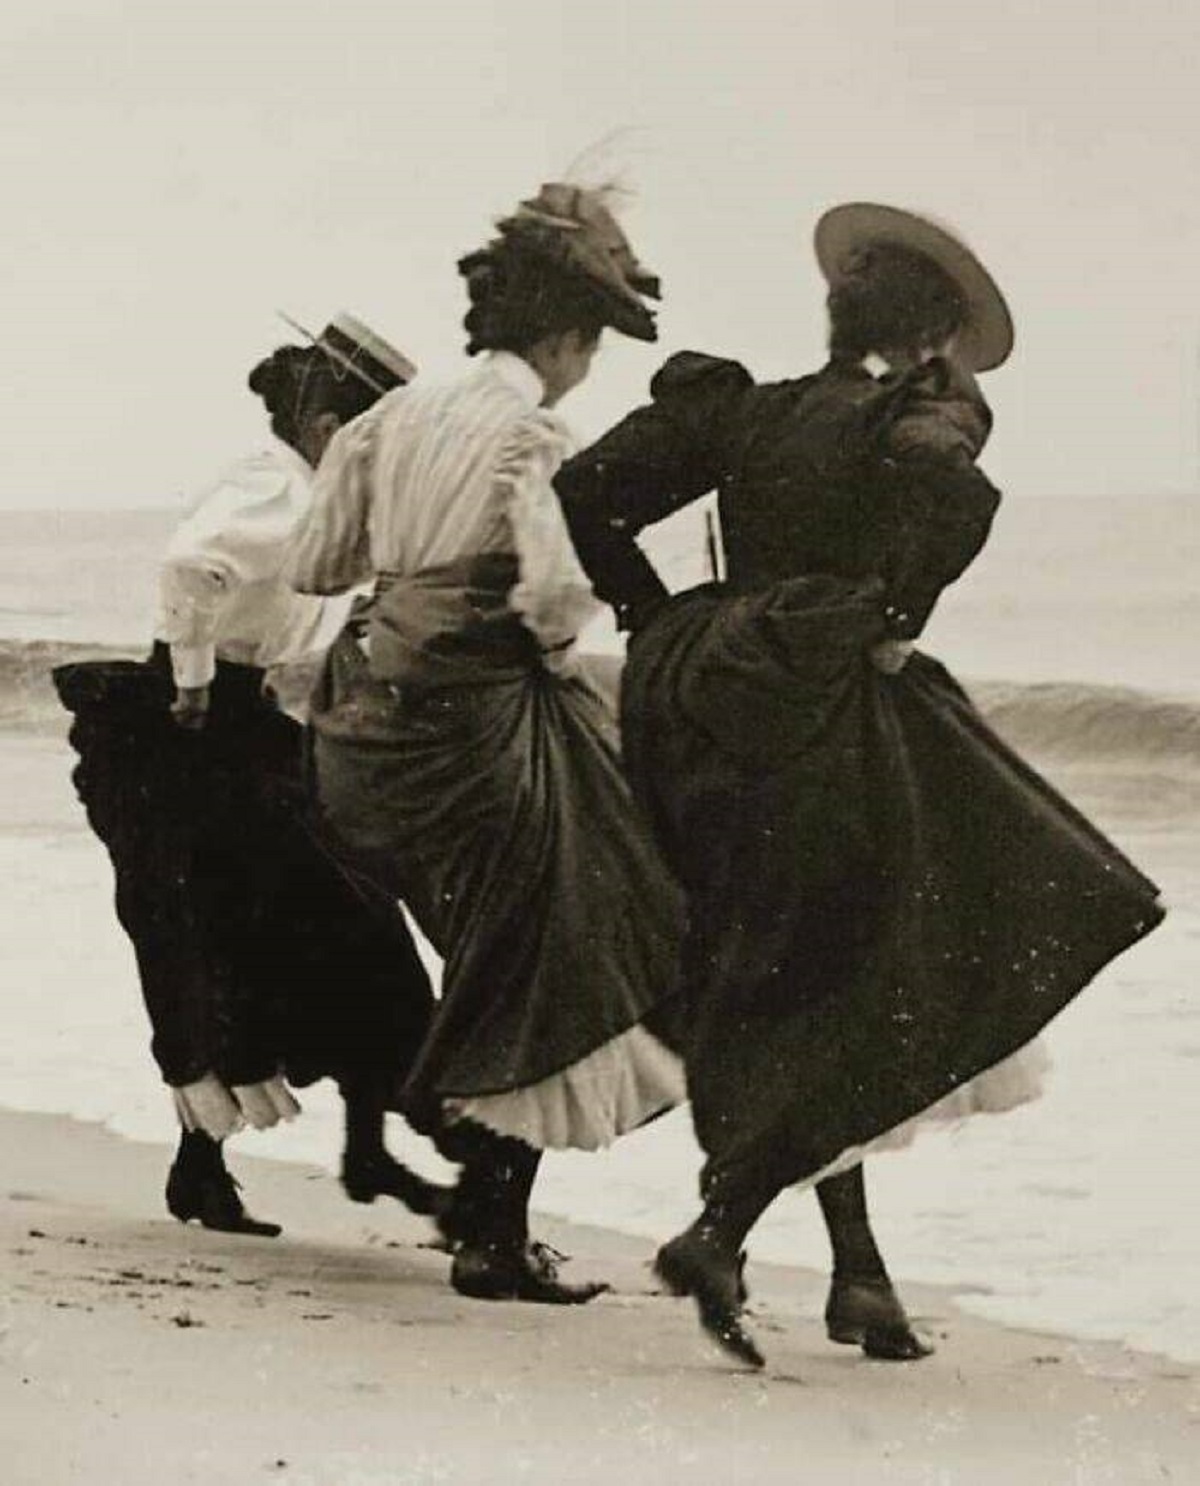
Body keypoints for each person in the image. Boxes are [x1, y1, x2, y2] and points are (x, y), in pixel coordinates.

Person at [555, 203, 1165, 1368]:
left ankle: (856, 1277)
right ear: (933, 335)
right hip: (832, 709)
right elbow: (956, 493)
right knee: (898, 957)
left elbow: (587, 490)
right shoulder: (916, 414)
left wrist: (650, 610)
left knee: (789, 968)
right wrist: (891, 616)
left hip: (709, 702)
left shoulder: (750, 408)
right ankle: (725, 1230)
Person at [284, 185, 687, 1303]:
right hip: (487, 722)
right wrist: (553, 635)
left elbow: (316, 568)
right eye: (591, 345)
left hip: (373, 726)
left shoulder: (387, 418)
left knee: (493, 951)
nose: (585, 367)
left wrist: (413, 582)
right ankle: (493, 1236)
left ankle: (483, 1211)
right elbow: (555, 598)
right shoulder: (533, 431)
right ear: (565, 335)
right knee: (560, 941)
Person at [53, 315, 448, 1237]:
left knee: (260, 929)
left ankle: (227, 1164)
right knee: (238, 927)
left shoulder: (309, 492)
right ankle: (406, 1142)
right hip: (195, 729)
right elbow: (189, 569)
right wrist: (191, 687)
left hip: (242, 725)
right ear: (326, 427)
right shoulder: (280, 487)